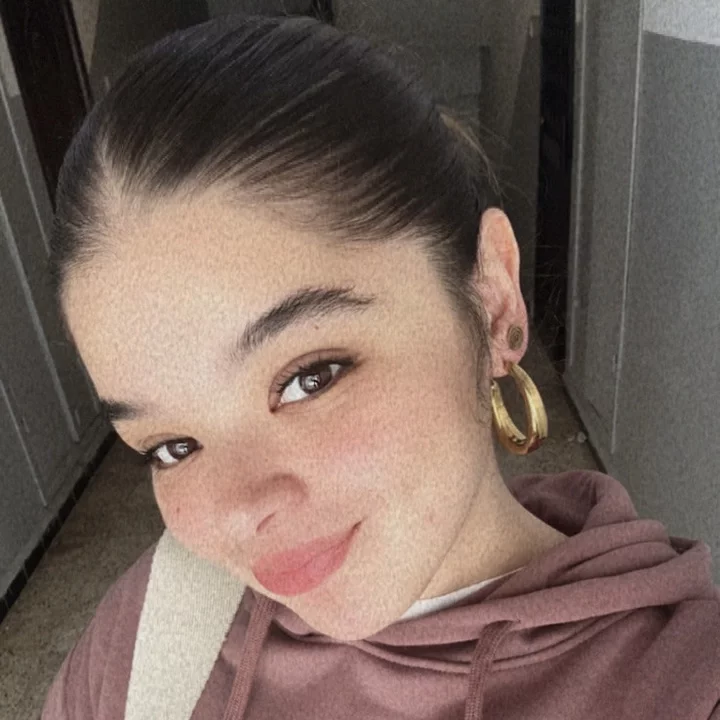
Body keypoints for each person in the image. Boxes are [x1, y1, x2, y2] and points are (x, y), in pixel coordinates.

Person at [41, 14, 720, 720]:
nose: (241, 511)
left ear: (492, 301)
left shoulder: (687, 684)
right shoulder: (151, 642)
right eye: (172, 446)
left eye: (310, 377)